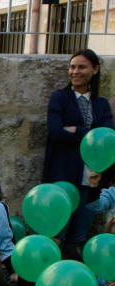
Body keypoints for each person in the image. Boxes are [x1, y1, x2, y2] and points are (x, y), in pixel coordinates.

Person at [44, 49, 114, 249]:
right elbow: (56, 132)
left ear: (95, 69)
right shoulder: (60, 98)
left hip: (91, 180)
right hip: (63, 178)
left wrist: (76, 130)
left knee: (79, 237)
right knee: (57, 235)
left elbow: (107, 135)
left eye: (82, 67)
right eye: (72, 67)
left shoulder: (101, 104)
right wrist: (91, 133)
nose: (75, 71)